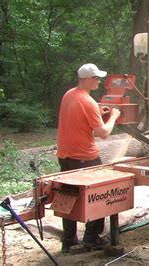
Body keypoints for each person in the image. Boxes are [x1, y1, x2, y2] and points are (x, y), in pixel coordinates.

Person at [56, 63, 121, 253]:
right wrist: (114, 117)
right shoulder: (88, 102)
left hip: (66, 156)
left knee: (67, 197)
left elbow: (79, 119)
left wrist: (98, 114)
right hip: (85, 158)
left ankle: (68, 241)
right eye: (96, 78)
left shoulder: (69, 95)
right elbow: (103, 133)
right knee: (99, 197)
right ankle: (92, 238)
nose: (98, 82)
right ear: (87, 79)